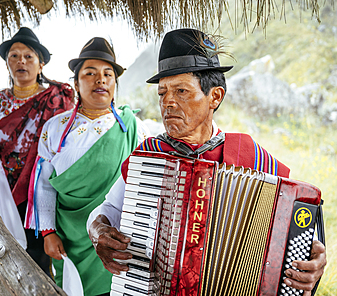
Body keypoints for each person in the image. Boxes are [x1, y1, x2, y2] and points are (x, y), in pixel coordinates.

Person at [87, 28, 327, 295]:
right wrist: (98, 231)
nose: (168, 102)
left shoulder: (252, 156)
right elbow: (107, 210)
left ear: (215, 97)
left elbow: (293, 228)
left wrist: (313, 257)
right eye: (162, 93)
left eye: (181, 91)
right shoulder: (149, 156)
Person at [24, 37, 150, 296]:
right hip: (70, 237)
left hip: (119, 234)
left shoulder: (135, 129)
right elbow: (44, 184)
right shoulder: (55, 129)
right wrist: (47, 232)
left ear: (115, 83)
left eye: (107, 74)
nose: (100, 80)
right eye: (90, 73)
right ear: (76, 83)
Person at [0, 27, 74, 276]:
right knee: (6, 252)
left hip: (41, 189)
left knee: (39, 257)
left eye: (28, 56)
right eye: (14, 56)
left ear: (41, 64)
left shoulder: (56, 99)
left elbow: (68, 137)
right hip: (5, 189)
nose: (21, 61)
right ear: (7, 63)